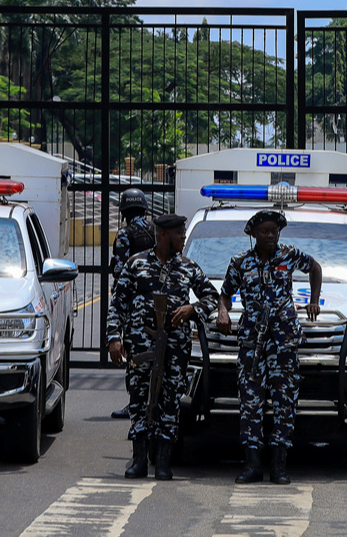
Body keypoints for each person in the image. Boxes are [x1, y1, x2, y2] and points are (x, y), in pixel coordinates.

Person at [106, 213, 219, 480]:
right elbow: (118, 303)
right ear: (164, 235)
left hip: (175, 347)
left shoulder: (188, 267)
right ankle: (139, 460)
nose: (183, 237)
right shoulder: (136, 264)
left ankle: (163, 462)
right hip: (141, 344)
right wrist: (114, 338)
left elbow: (212, 296)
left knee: (171, 401)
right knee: (139, 399)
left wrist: (192, 309)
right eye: (180, 233)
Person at [216, 210, 322, 485]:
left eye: (274, 231)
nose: (271, 235)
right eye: (265, 231)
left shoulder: (288, 255)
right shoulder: (240, 262)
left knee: (285, 402)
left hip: (283, 343)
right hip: (252, 343)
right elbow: (225, 294)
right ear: (253, 234)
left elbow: (315, 268)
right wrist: (222, 312)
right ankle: (252, 466)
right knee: (251, 403)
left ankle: (279, 466)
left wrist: (314, 300)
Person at [109, 188, 157, 419]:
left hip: (132, 303)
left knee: (134, 354)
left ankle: (135, 403)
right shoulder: (155, 230)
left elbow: (119, 269)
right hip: (156, 301)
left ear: (124, 212)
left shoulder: (124, 234)